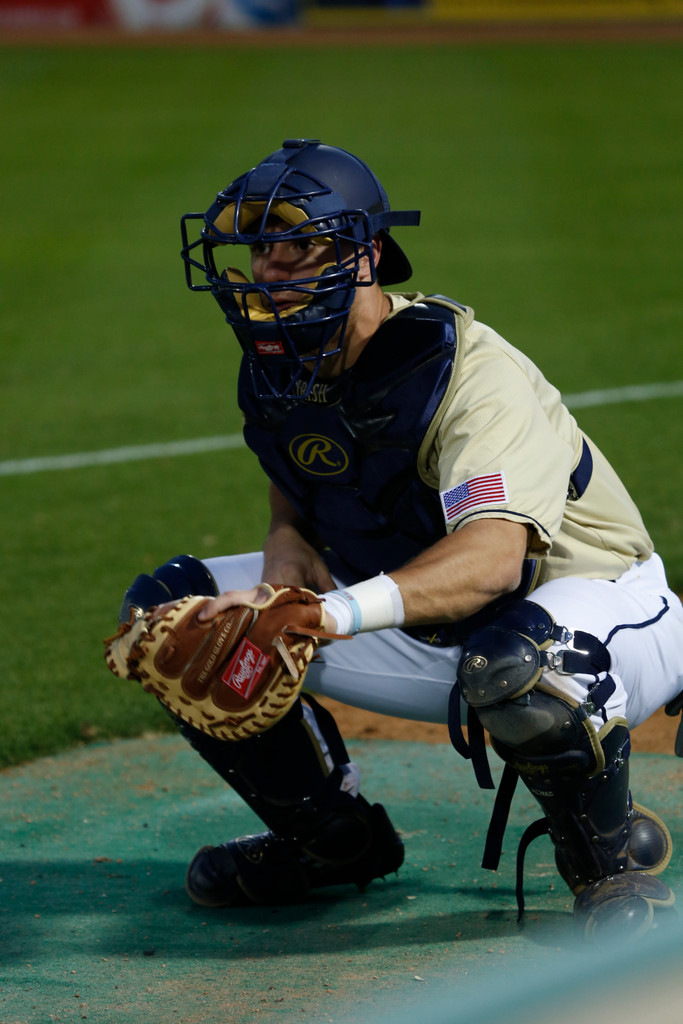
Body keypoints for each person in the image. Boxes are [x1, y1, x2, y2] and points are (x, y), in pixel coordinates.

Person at [120, 139, 683, 942]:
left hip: (594, 608)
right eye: (258, 252)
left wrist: (324, 617)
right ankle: (330, 842)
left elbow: (492, 559)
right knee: (174, 619)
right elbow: (301, 468)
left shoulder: (464, 373)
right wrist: (285, 549)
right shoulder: (279, 360)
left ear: (365, 258)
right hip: (426, 621)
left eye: (297, 247)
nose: (270, 272)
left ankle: (606, 866)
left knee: (520, 664)